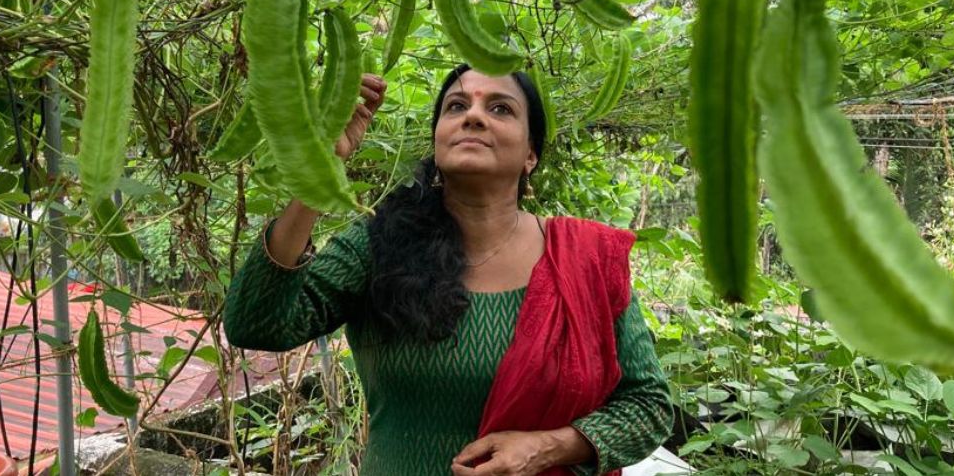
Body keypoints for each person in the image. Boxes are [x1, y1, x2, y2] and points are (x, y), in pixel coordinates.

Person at [224, 65, 674, 475]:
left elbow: (648, 406)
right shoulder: (379, 244)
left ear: (531, 154)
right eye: (457, 106)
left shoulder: (587, 260)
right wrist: (320, 166)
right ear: (438, 137)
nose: (473, 116)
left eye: (499, 108)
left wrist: (549, 447)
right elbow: (255, 324)